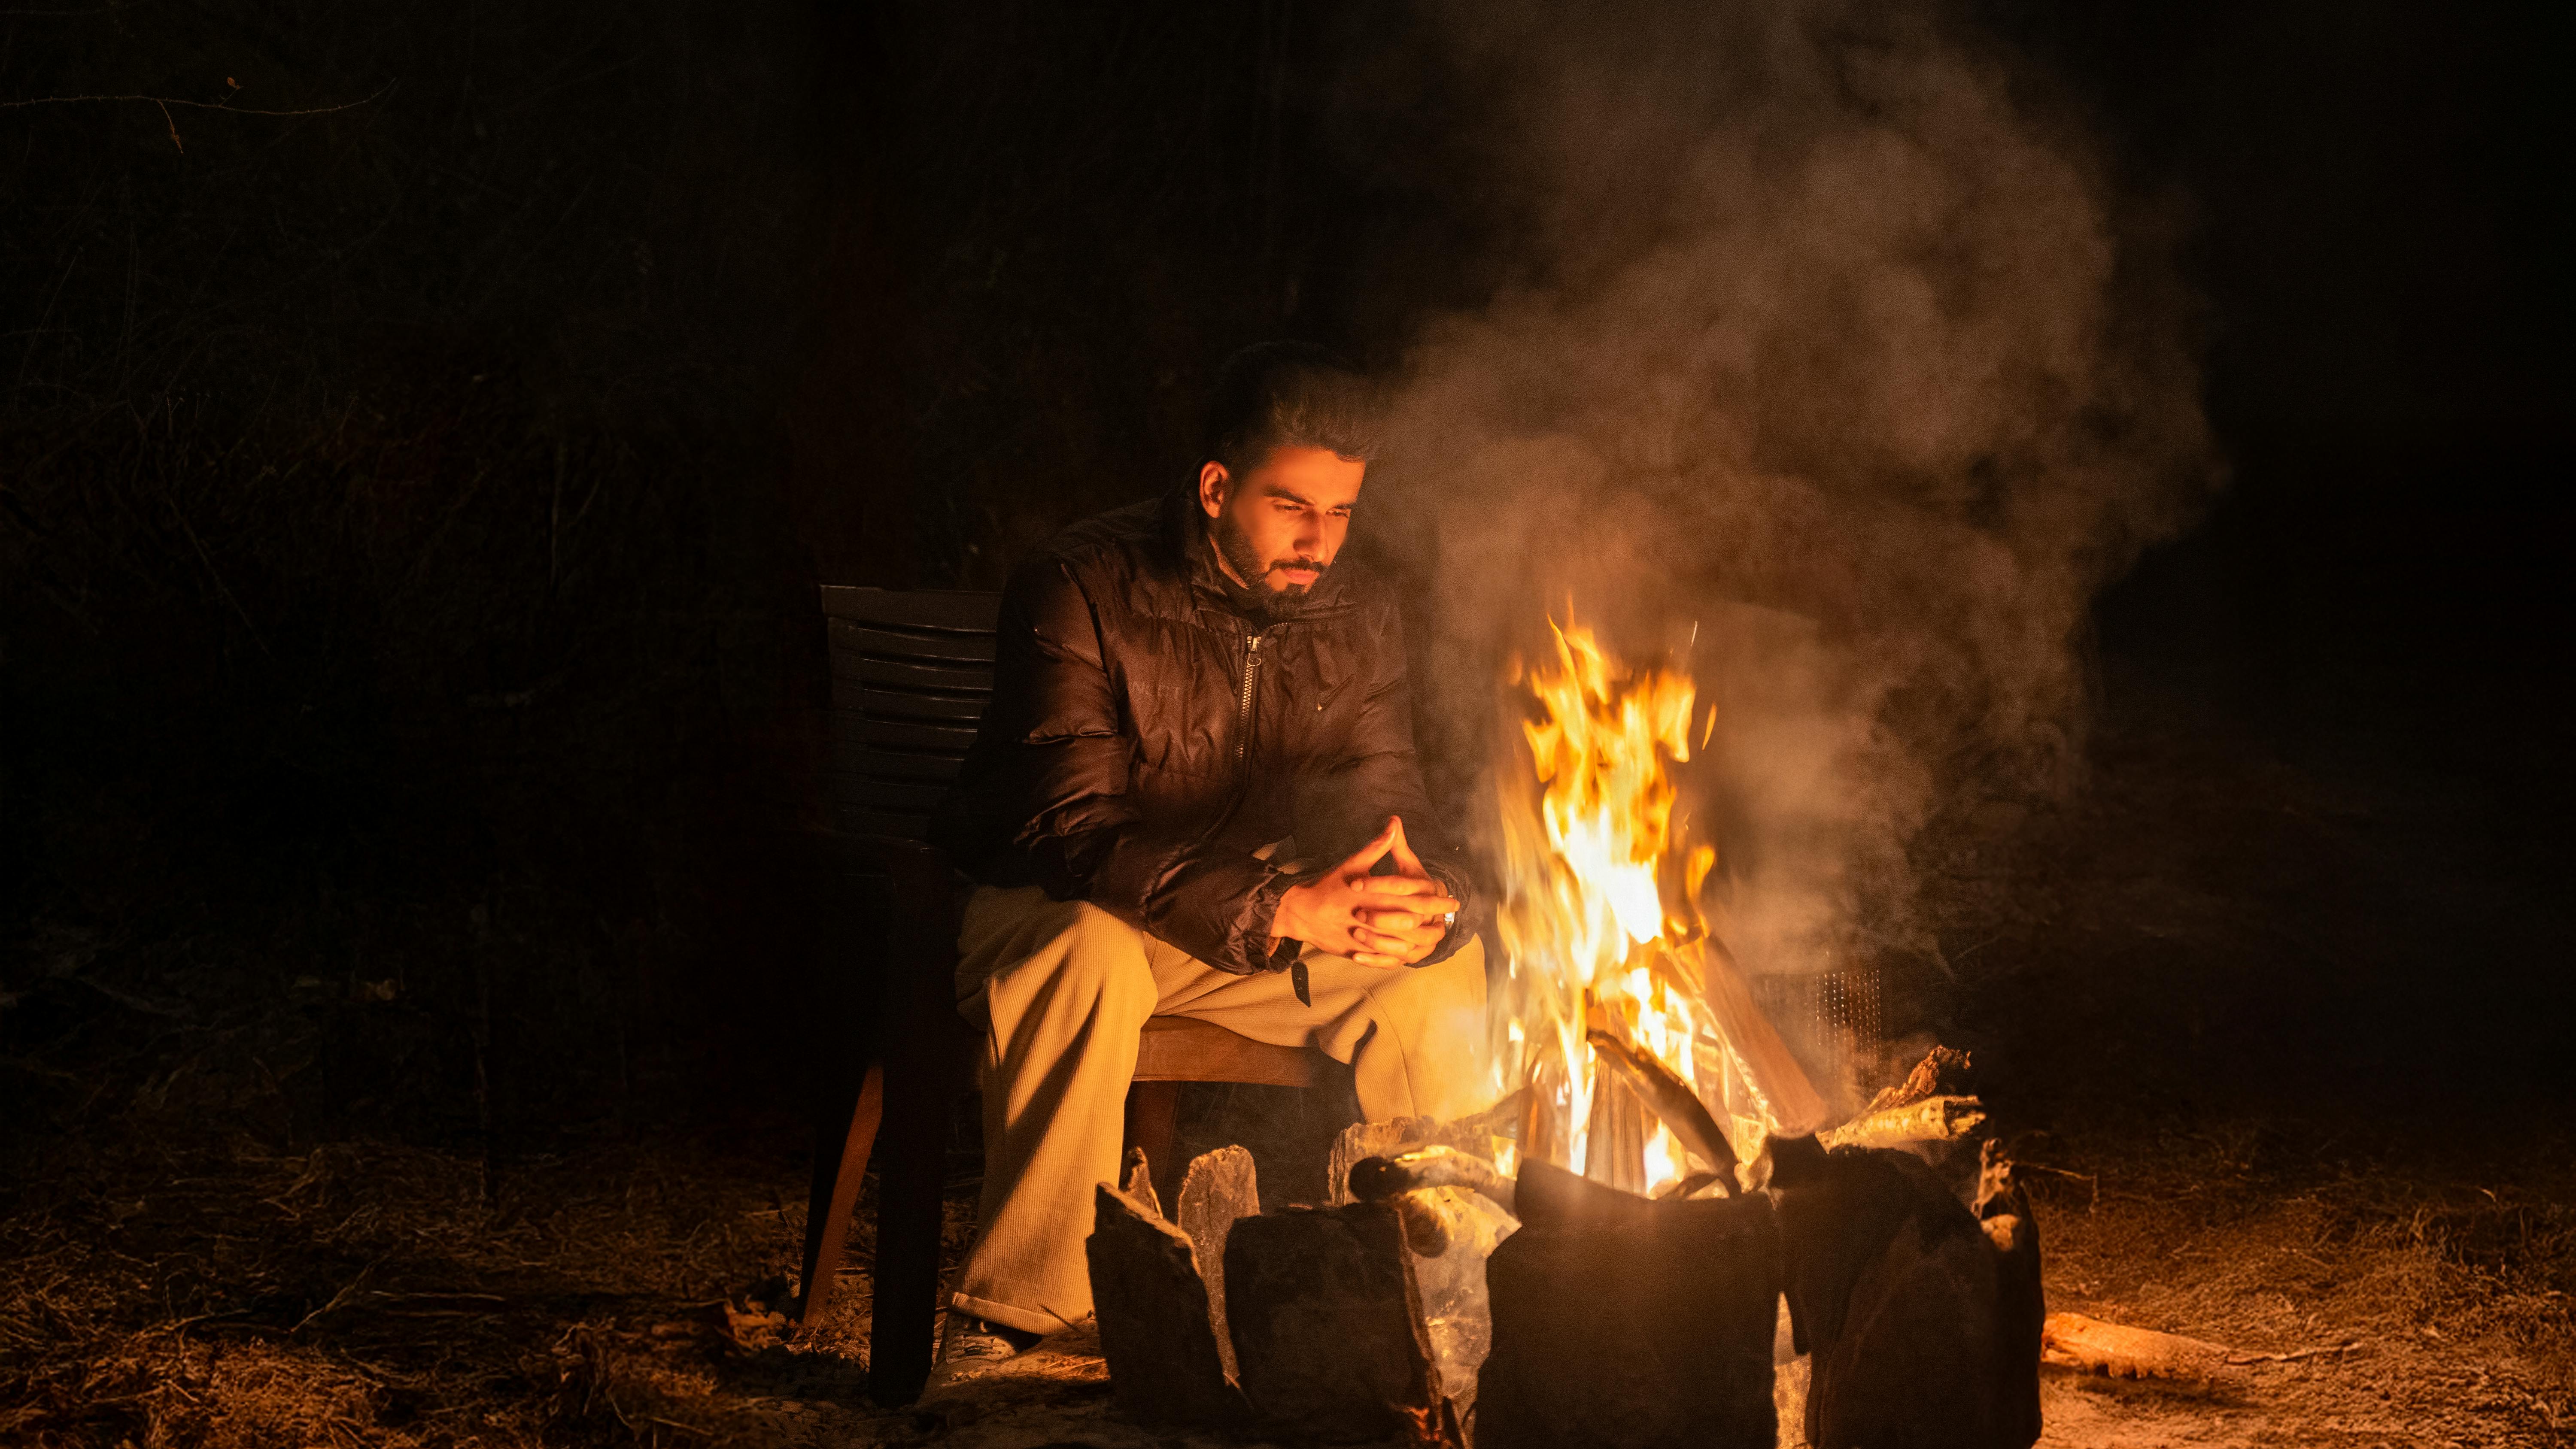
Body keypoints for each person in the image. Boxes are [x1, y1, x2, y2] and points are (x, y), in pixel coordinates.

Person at [927, 342, 1491, 1362]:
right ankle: (1028, 1320)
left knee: (1435, 977)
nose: (1322, 540)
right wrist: (1283, 909)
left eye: (1344, 512)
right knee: (1086, 952)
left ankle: (1451, 1289)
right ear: (1219, 486)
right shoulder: (1078, 583)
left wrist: (1420, 892)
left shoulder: (1358, 614)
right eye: (1294, 507)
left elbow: (1388, 798)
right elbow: (1075, 832)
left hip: (1238, 929)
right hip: (1053, 907)